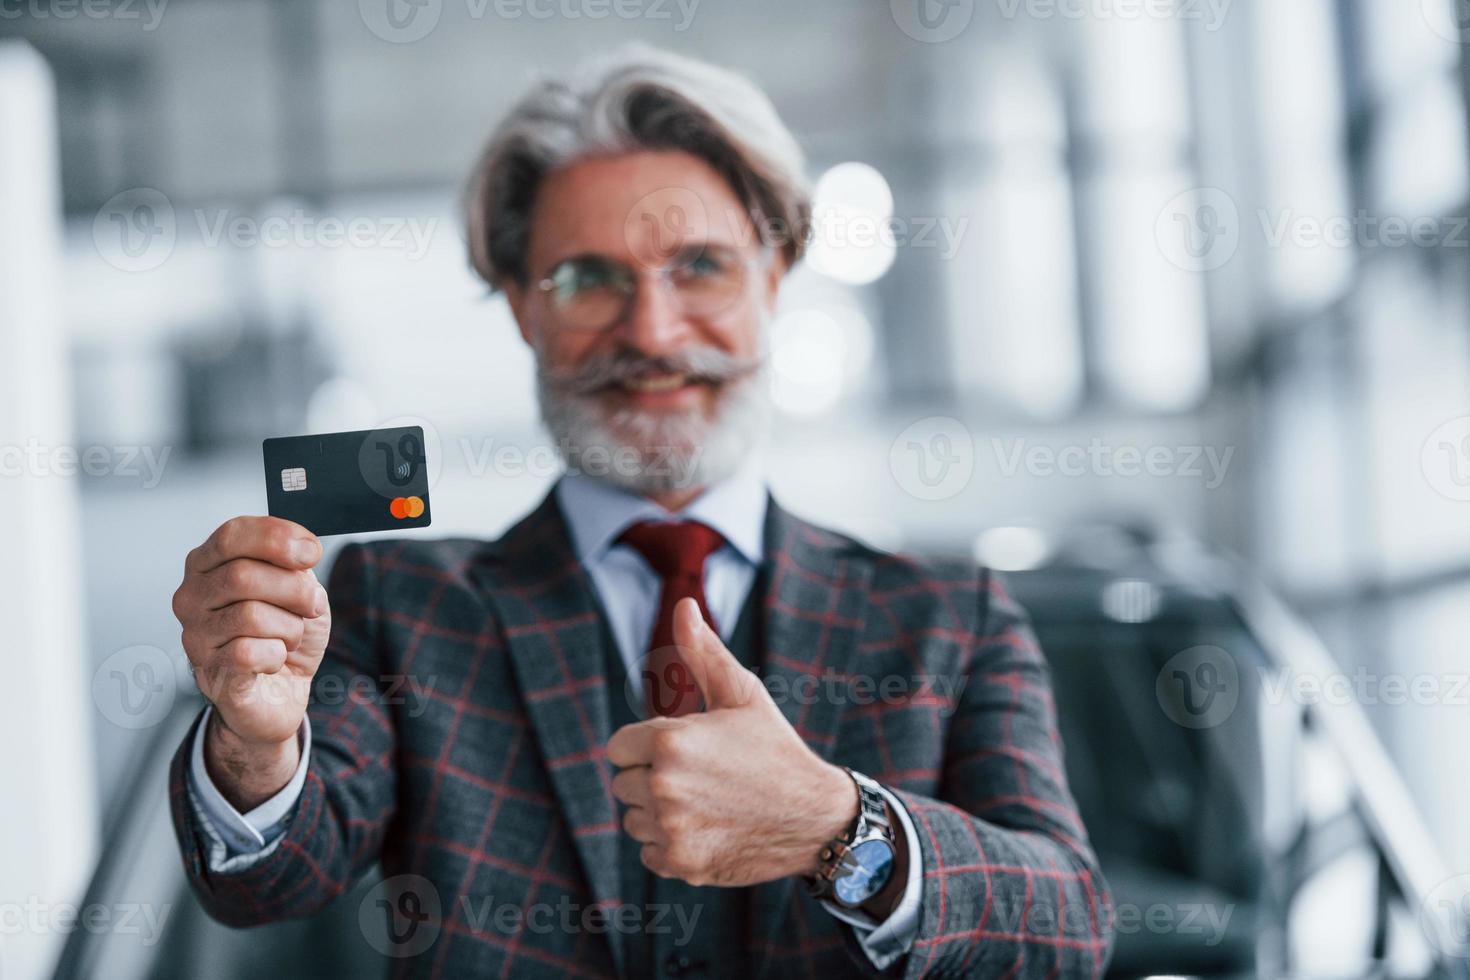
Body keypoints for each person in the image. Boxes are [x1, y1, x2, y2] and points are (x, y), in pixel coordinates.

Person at [168, 45, 1114, 979]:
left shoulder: (952, 615)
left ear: (774, 279)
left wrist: (835, 826)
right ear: (520, 310)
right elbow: (269, 882)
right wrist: (255, 744)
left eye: (700, 265)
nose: (654, 334)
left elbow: (1067, 927)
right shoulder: (398, 599)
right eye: (587, 278)